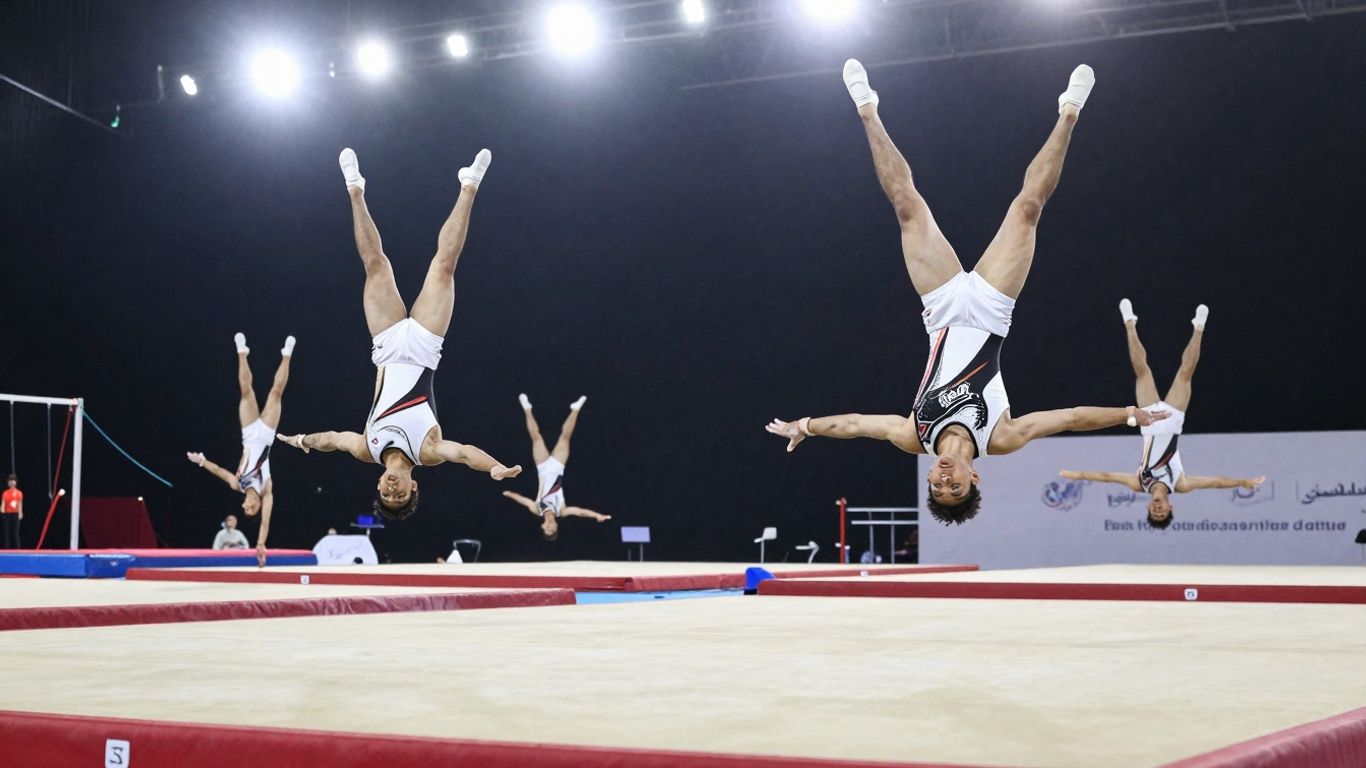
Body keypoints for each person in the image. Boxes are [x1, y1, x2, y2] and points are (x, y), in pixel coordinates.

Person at [766, 60, 1167, 526]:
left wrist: (807, 427)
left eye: (937, 486)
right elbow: (1070, 417)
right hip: (992, 312)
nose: (943, 478)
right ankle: (1070, 111)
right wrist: (1128, 415)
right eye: (954, 486)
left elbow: (855, 425)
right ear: (975, 479)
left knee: (907, 208)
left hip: (940, 311)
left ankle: (866, 108)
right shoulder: (1000, 438)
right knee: (1028, 209)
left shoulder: (915, 435)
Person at [276, 148, 521, 521]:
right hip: (424, 347)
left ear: (377, 486)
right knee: (444, 268)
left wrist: (301, 441)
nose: (393, 490)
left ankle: (355, 189)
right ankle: (469, 186)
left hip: (387, 347)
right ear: (413, 487)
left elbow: (332, 440)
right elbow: (465, 453)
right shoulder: (429, 451)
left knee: (375, 266)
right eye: (400, 495)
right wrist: (495, 467)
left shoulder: (367, 448)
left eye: (387, 496)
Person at [1059, 301, 1265, 529]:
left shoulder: (1140, 483)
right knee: (1186, 373)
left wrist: (1078, 475)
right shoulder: (1181, 483)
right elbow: (1215, 482)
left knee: (1141, 370)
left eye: (1154, 514)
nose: (1157, 510)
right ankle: (1199, 327)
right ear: (1170, 508)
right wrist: (1242, 482)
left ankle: (1129, 322)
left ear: (1148, 508)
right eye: (1162, 513)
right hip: (1172, 419)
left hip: (1147, 421)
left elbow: (1107, 477)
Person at [187, 333, 294, 567]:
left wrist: (202, 461)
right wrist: (260, 545)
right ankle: (286, 356)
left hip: (248, 434)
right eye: (250, 509)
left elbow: (220, 472)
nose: (247, 506)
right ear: (255, 507)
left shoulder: (239, 484)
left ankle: (241, 352)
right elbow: (265, 522)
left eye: (245, 507)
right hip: (265, 435)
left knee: (246, 391)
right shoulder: (267, 490)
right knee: (275, 392)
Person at [500, 394, 610, 541]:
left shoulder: (537, 508)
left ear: (543, 526)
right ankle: (575, 409)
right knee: (565, 437)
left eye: (548, 529)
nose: (551, 526)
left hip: (543, 466)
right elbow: (580, 512)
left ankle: (527, 409)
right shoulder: (562, 510)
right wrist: (597, 515)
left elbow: (523, 500)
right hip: (558, 466)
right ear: (557, 526)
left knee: (536, 438)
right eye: (553, 529)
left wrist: (509, 494)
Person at [1, 474, 22, 549]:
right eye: (10, 481)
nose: (12, 482)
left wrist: (20, 513)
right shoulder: (5, 493)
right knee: (7, 532)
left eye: (13, 480)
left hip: (15, 514)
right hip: (7, 514)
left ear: (16, 482)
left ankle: (17, 548)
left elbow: (20, 504)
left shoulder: (19, 493)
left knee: (15, 533)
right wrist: (2, 512)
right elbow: (3, 504)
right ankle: (7, 548)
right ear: (8, 483)